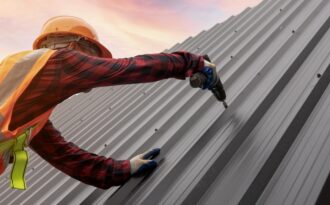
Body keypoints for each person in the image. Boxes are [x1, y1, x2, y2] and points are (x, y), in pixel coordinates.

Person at [0, 15, 219, 190]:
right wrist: (191, 63)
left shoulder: (25, 105)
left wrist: (121, 170)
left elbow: (62, 155)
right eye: (92, 55)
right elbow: (127, 69)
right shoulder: (60, 60)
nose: (94, 62)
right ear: (72, 46)